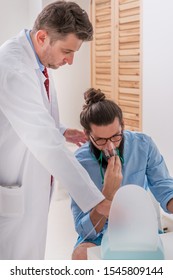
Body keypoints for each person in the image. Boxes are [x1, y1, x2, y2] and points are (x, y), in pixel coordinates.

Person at [0, 2, 111, 260]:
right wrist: (96, 200)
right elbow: (44, 140)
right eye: (67, 51)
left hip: (28, 188)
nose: (70, 61)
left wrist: (61, 130)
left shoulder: (36, 61)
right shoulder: (13, 68)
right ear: (42, 37)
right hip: (12, 191)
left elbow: (25, 118)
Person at [71, 88, 173, 260]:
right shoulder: (79, 162)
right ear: (88, 135)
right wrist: (107, 194)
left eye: (116, 137)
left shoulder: (143, 145)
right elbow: (84, 229)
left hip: (138, 227)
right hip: (99, 232)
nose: (110, 147)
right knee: (81, 255)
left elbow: (165, 190)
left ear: (122, 126)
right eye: (101, 140)